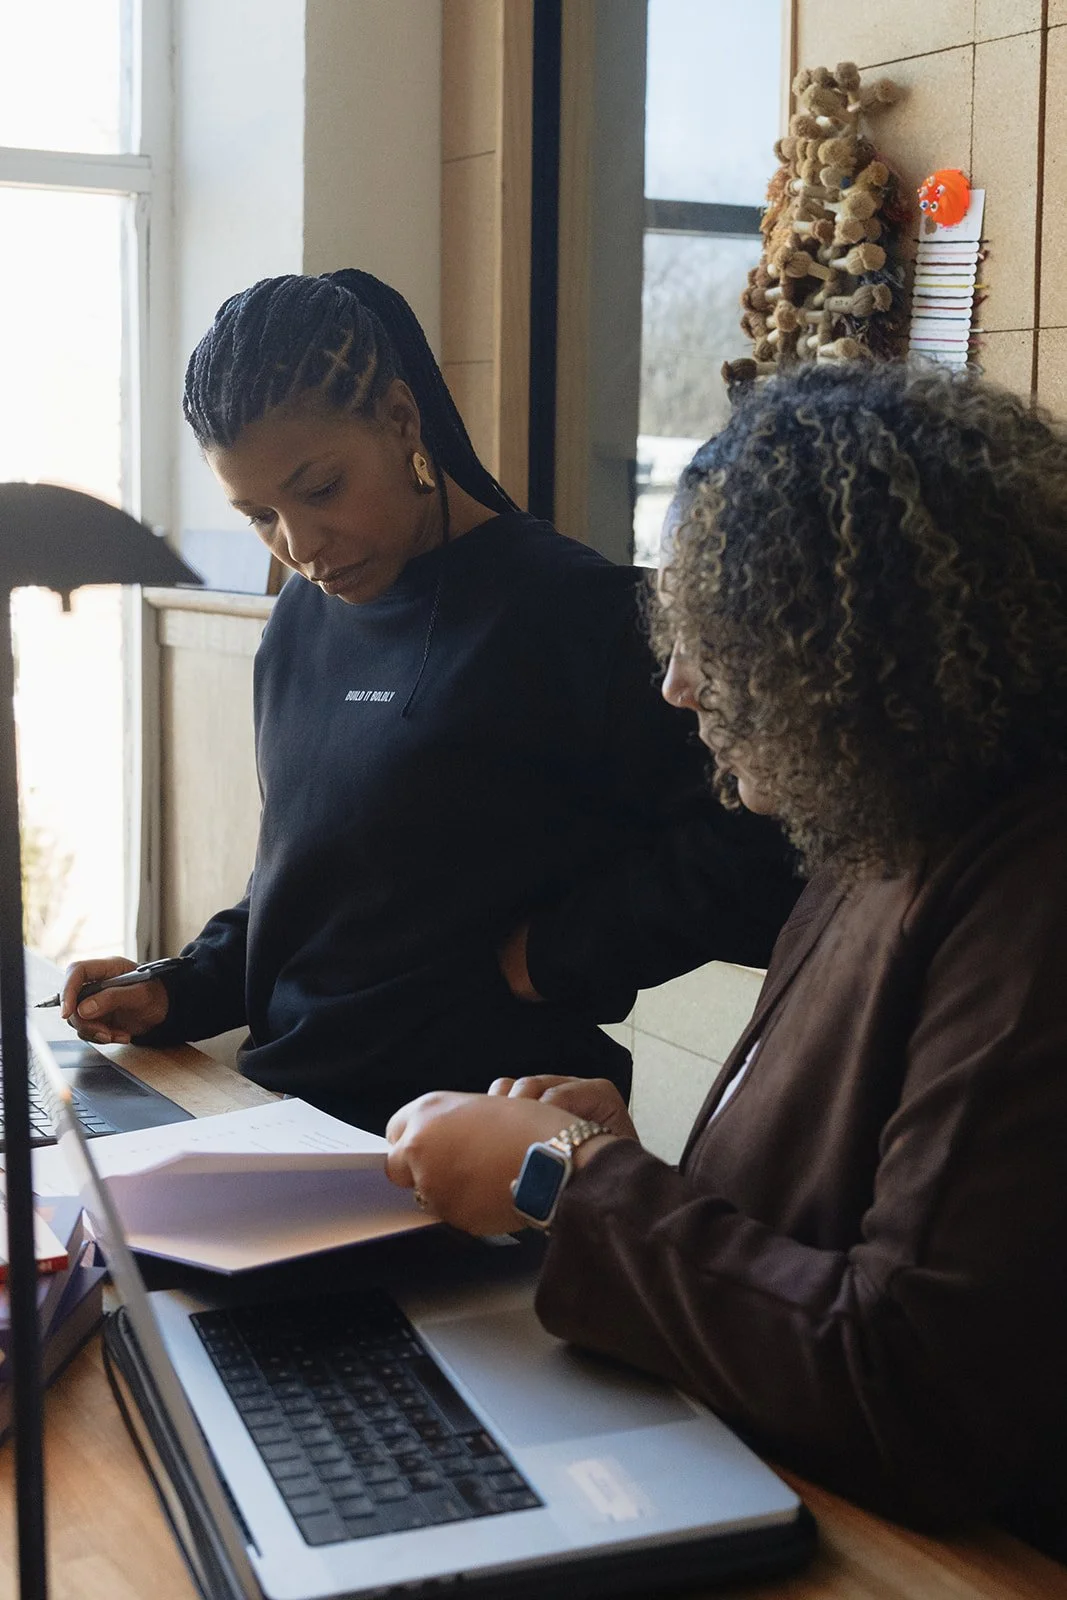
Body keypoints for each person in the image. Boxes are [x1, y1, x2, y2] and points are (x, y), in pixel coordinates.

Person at [383, 363, 1067, 1557]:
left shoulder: (1029, 903)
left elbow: (901, 1385)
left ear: (854, 651)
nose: (676, 686)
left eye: (720, 641)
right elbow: (808, 1239)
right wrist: (625, 1161)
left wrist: (566, 1179)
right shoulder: (878, 824)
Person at [62, 270, 799, 1133]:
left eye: (321, 488)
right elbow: (314, 882)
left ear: (402, 421)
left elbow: (760, 850)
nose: (300, 547)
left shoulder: (579, 614)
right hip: (284, 1123)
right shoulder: (303, 617)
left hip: (480, 1146)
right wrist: (179, 987)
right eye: (259, 514)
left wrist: (561, 955)